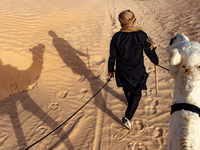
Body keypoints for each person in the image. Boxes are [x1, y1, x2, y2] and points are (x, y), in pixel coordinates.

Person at [108, 10, 159, 129]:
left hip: (122, 71)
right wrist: (155, 61)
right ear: (133, 20)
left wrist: (111, 70)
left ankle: (130, 103)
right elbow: (149, 50)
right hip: (137, 72)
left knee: (127, 88)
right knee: (136, 94)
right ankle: (128, 117)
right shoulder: (140, 34)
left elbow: (112, 56)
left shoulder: (117, 36)